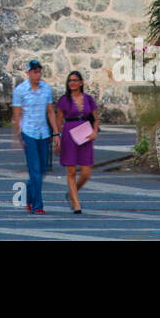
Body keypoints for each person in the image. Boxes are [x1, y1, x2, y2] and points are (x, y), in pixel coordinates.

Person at [11, 59, 58, 214]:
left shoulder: (46, 89)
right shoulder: (20, 90)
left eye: (39, 72)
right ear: (28, 73)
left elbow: (50, 111)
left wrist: (56, 132)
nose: (38, 75)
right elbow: (17, 115)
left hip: (43, 133)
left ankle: (28, 196)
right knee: (35, 170)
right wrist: (18, 136)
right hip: (28, 132)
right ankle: (38, 205)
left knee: (43, 168)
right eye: (34, 72)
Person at [56, 70, 98, 213]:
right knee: (71, 171)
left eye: (75, 80)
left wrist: (94, 131)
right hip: (69, 135)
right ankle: (76, 202)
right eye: (70, 81)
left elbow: (95, 118)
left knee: (86, 172)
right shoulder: (63, 100)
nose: (72, 83)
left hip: (85, 134)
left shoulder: (89, 99)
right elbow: (58, 121)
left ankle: (71, 194)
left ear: (80, 83)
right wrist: (57, 137)